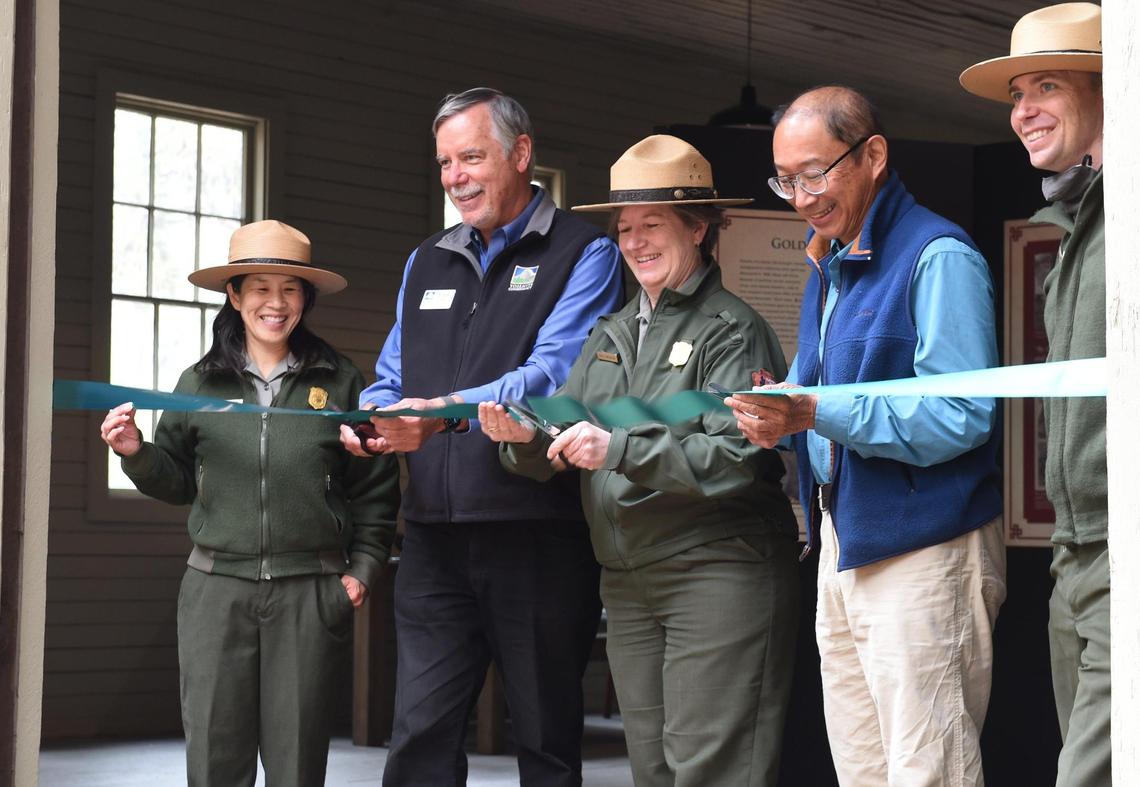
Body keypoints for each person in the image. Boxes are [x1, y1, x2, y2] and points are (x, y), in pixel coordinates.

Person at [480, 134, 800, 787]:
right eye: (624, 227)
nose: (634, 241)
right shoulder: (613, 330)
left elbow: (735, 454)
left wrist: (616, 447)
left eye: (653, 224)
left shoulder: (732, 328)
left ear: (701, 227)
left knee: (712, 770)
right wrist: (523, 437)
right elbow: (566, 427)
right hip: (628, 581)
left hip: (717, 569)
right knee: (653, 769)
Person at [339, 87, 624, 786]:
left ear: (521, 153)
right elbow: (390, 374)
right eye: (444, 163)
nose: (455, 176)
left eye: (471, 156)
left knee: (546, 742)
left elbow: (552, 375)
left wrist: (435, 412)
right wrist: (375, 421)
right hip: (433, 536)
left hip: (537, 533)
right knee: (418, 737)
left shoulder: (586, 253)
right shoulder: (426, 260)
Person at [725, 86, 1007, 785]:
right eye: (785, 179)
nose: (799, 197)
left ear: (873, 155)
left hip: (926, 546)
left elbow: (963, 415)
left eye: (814, 173)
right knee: (862, 770)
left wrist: (815, 412)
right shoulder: (827, 258)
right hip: (843, 543)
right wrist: (779, 410)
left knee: (927, 767)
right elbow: (813, 398)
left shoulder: (940, 255)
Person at [99, 219, 399, 786]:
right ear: (234, 296)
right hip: (216, 591)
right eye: (260, 287)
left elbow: (376, 484)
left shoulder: (341, 382)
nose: (275, 303)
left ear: (305, 298)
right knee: (215, 758)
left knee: (298, 762)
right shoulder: (197, 384)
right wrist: (135, 453)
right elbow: (177, 481)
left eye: (289, 288)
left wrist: (361, 570)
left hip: (309, 592)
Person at [961, 4, 1107, 783]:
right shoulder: (1072, 219)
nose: (1022, 112)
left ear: (1113, 88)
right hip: (1072, 553)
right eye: (1017, 92)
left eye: (1046, 84)